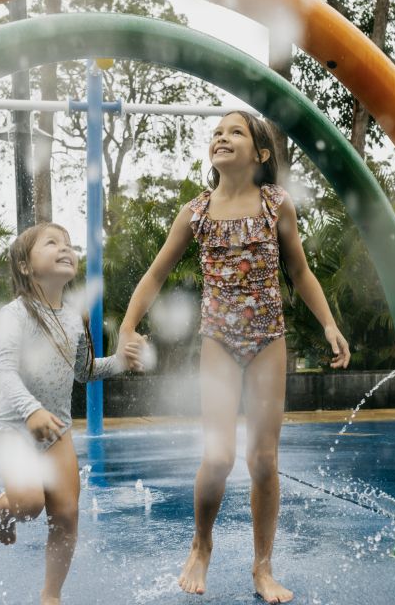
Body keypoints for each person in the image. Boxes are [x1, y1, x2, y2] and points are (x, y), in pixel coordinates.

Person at [118, 111, 350, 603]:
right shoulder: (195, 212)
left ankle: (262, 567)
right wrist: (127, 325)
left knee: (263, 460)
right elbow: (156, 273)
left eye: (236, 131)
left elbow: (301, 272)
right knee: (219, 456)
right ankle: (201, 544)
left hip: (268, 338)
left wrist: (329, 323)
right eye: (217, 132)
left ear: (261, 154)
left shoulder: (276, 205)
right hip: (219, 340)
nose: (222, 136)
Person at [0, 222, 143, 605]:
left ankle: (51, 595)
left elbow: (84, 371)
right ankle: (6, 504)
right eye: (52, 243)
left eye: (69, 244)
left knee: (67, 516)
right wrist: (31, 411)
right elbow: (4, 372)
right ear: (25, 266)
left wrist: (121, 361)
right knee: (29, 506)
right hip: (15, 427)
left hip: (55, 431)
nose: (65, 248)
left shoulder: (75, 318)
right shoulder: (15, 314)